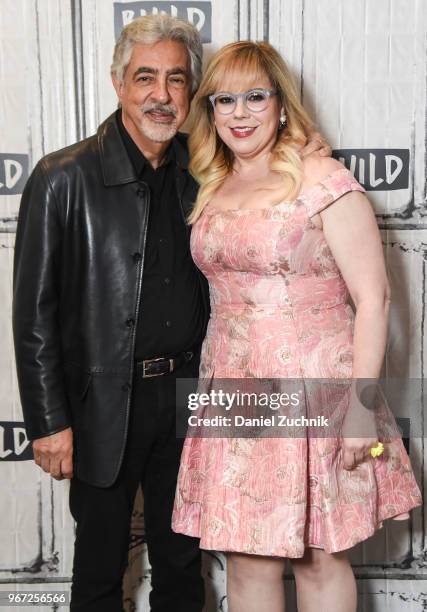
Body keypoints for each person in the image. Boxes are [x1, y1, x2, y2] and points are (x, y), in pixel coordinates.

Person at [12, 15, 330, 612]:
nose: (161, 95)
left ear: (192, 91)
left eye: (177, 80)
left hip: (192, 397)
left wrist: (309, 149)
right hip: (102, 402)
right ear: (118, 84)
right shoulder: (62, 179)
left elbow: (276, 173)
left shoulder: (209, 169)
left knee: (183, 563)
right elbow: (33, 315)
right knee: (101, 563)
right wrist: (48, 420)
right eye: (145, 78)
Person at [172, 41, 422, 612]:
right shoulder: (211, 182)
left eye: (255, 97)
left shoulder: (323, 178)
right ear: (209, 110)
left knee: (318, 556)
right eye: (224, 99)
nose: (239, 113)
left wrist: (361, 406)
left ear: (282, 104)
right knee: (247, 556)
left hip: (317, 391)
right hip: (234, 394)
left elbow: (375, 298)